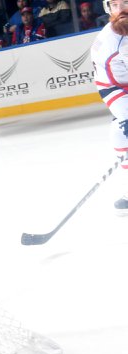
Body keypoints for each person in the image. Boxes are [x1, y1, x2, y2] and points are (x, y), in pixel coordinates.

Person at [92, 0, 128, 211]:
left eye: (125, 3)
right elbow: (105, 84)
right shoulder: (109, 40)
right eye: (115, 5)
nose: (120, 9)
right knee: (119, 134)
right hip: (117, 90)